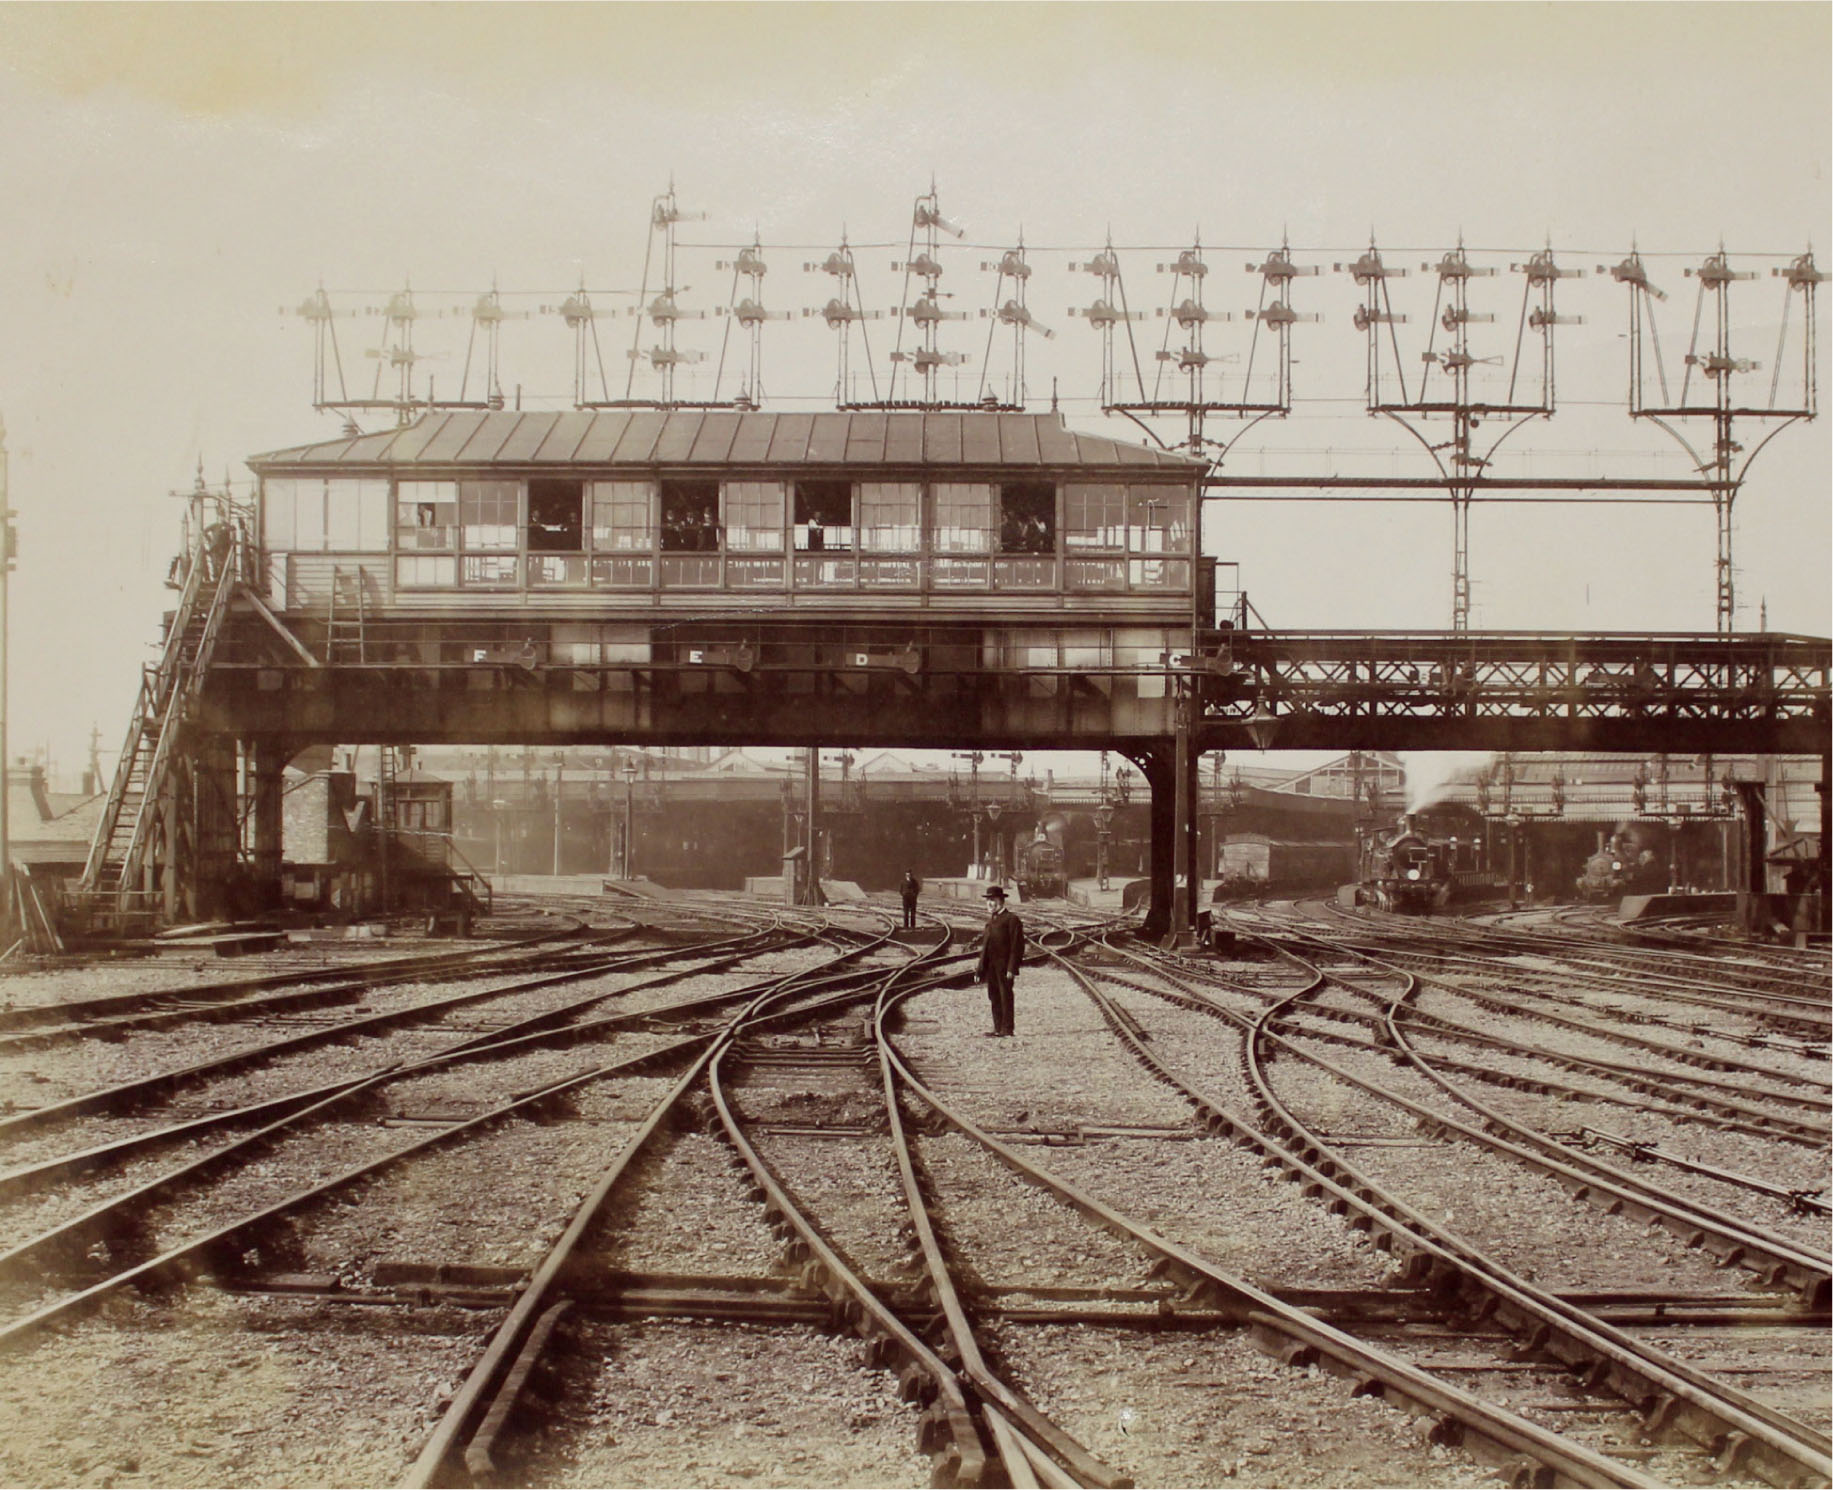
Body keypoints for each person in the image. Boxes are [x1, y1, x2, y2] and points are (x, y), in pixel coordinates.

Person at [975, 885, 1024, 1037]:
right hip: (991, 967)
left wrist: (1011, 968)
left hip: (1004, 967)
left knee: (1005, 996)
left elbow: (1017, 947)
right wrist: (980, 969)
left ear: (1002, 901)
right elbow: (985, 949)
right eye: (988, 901)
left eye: (993, 900)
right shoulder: (990, 922)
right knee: (994, 996)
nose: (990, 903)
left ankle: (1007, 1029)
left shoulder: (1012, 920)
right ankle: (998, 1028)